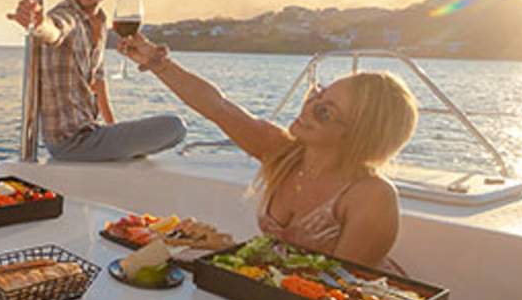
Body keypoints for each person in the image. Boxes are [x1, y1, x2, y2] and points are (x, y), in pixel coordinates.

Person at [117, 33, 418, 269]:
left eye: (325, 112)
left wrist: (234, 256)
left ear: (358, 136)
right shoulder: (284, 153)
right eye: (316, 95)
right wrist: (158, 64)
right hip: (275, 296)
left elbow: (339, 287)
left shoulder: (371, 196)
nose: (309, 109)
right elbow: (217, 107)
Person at [7, 0, 186, 161]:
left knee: (164, 135)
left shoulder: (100, 21)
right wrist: (38, 22)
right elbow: (54, 31)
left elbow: (97, 82)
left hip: (91, 132)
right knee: (175, 127)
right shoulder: (66, 15)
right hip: (70, 142)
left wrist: (111, 125)